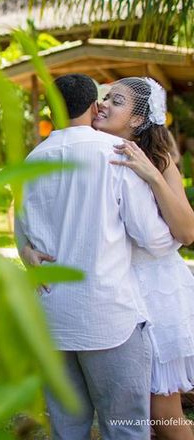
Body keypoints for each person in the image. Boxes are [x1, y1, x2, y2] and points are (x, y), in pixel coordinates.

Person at [15, 73, 177, 440]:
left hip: (52, 318)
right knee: (125, 428)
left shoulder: (31, 161)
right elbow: (154, 238)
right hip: (109, 317)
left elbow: (23, 240)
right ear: (93, 107)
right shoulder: (115, 156)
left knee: (66, 427)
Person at [94, 77, 194, 440]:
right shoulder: (94, 152)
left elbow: (186, 232)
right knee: (134, 417)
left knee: (163, 416)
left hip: (155, 292)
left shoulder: (159, 160)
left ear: (138, 119)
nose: (103, 104)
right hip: (116, 292)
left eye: (116, 101)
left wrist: (152, 175)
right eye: (103, 98)